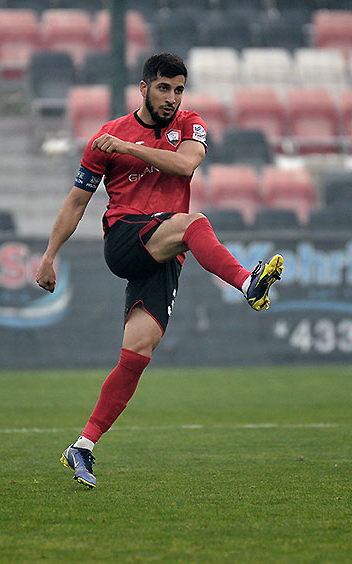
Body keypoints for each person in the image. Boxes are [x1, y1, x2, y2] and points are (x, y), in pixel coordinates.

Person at [35, 52, 283, 488]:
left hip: (167, 249)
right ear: (144, 87)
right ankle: (248, 282)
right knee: (194, 223)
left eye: (179, 89)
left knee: (137, 352)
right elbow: (76, 203)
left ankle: (83, 446)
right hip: (126, 237)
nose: (172, 97)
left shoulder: (189, 125)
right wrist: (49, 255)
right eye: (164, 88)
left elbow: (186, 164)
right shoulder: (105, 137)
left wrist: (132, 149)